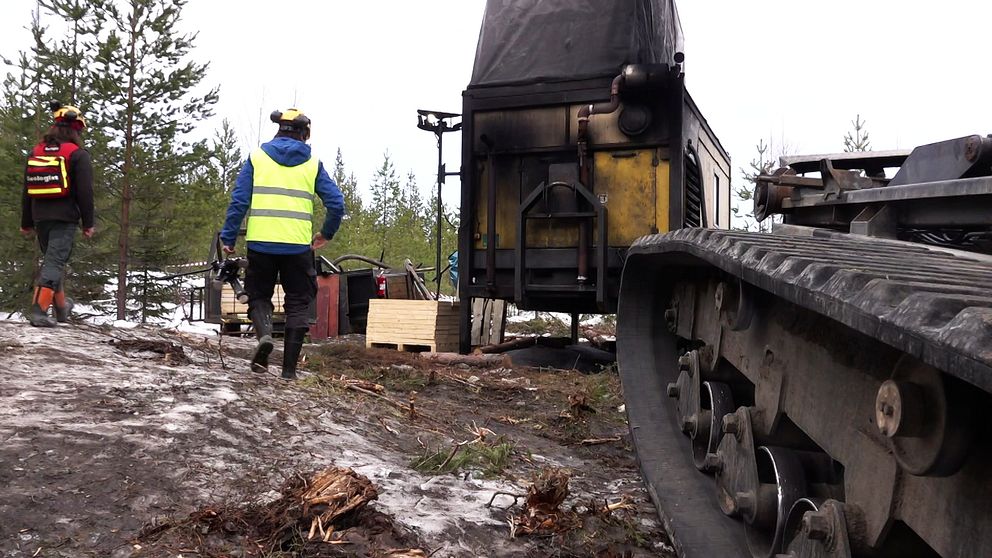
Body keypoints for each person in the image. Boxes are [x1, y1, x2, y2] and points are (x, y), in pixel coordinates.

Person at [220, 108, 345, 380]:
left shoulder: (257, 158)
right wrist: (326, 234)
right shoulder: (313, 163)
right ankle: (289, 371)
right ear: (304, 133)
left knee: (258, 296)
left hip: (261, 244)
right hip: (298, 246)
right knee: (299, 303)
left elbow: (239, 201)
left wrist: (229, 236)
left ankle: (265, 337)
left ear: (279, 129)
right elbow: (336, 203)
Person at [20, 101, 95, 327]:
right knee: (54, 262)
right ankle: (39, 310)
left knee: (54, 261)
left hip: (40, 216)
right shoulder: (77, 154)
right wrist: (88, 223)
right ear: (76, 130)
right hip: (65, 219)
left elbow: (27, 190)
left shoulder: (37, 151)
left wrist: (26, 222)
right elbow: (85, 192)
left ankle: (61, 308)